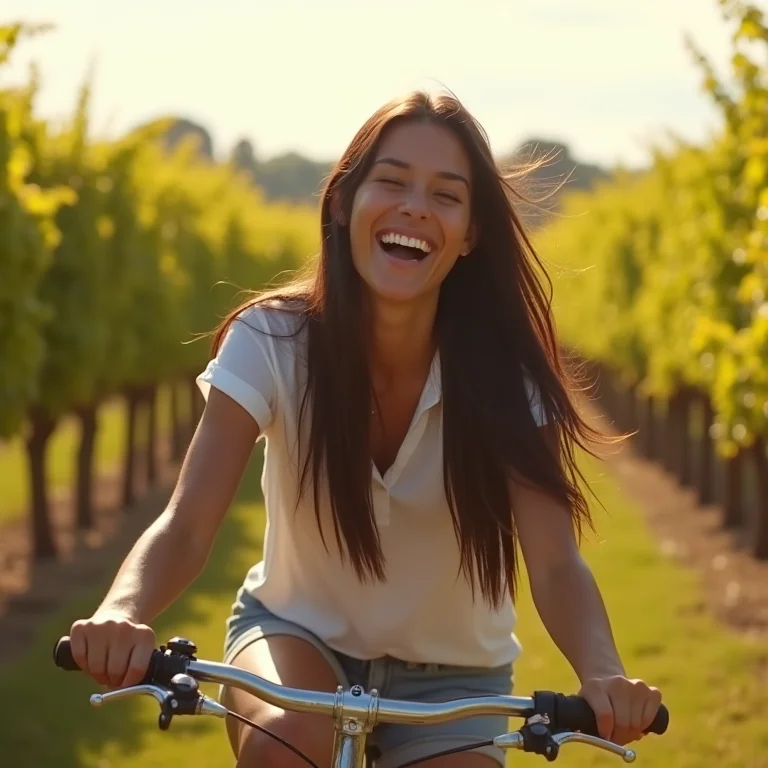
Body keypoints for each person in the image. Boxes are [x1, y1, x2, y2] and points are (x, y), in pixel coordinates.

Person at [67, 90, 663, 767]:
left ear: (471, 235)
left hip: (457, 676)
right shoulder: (272, 339)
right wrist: (123, 608)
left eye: (446, 195)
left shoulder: (508, 378)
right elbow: (186, 522)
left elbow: (556, 562)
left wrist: (604, 673)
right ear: (345, 202)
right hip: (294, 634)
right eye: (392, 180)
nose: (414, 206)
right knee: (285, 748)